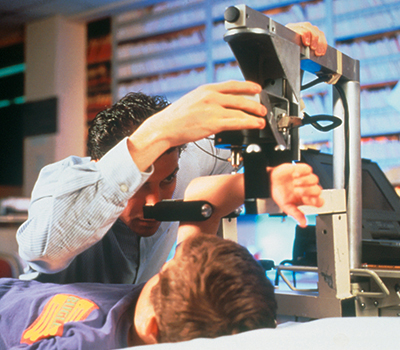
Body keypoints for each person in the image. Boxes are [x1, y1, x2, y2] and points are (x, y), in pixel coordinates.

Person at [17, 22, 327, 284]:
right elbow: (43, 251)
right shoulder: (63, 180)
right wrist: (157, 131)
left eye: (166, 181)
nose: (155, 203)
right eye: (139, 184)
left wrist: (280, 55)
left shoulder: (182, 157)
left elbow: (236, 145)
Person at [1, 234, 276, 349]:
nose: (163, 265)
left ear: (152, 328)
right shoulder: (171, 302)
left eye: (161, 274)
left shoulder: (87, 342)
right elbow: (205, 194)